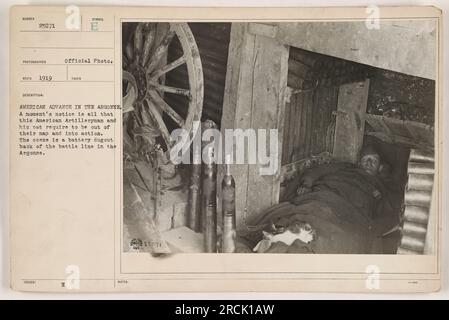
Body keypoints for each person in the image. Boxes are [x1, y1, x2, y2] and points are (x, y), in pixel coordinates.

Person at [237, 145, 402, 254]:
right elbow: (317, 171)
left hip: (347, 212)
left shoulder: (380, 189)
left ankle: (291, 244)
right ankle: (282, 237)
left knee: (335, 234)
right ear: (359, 162)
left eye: (373, 160)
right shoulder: (344, 167)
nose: (369, 162)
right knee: (308, 214)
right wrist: (307, 184)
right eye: (366, 159)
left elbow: (385, 214)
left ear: (380, 167)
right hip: (322, 196)